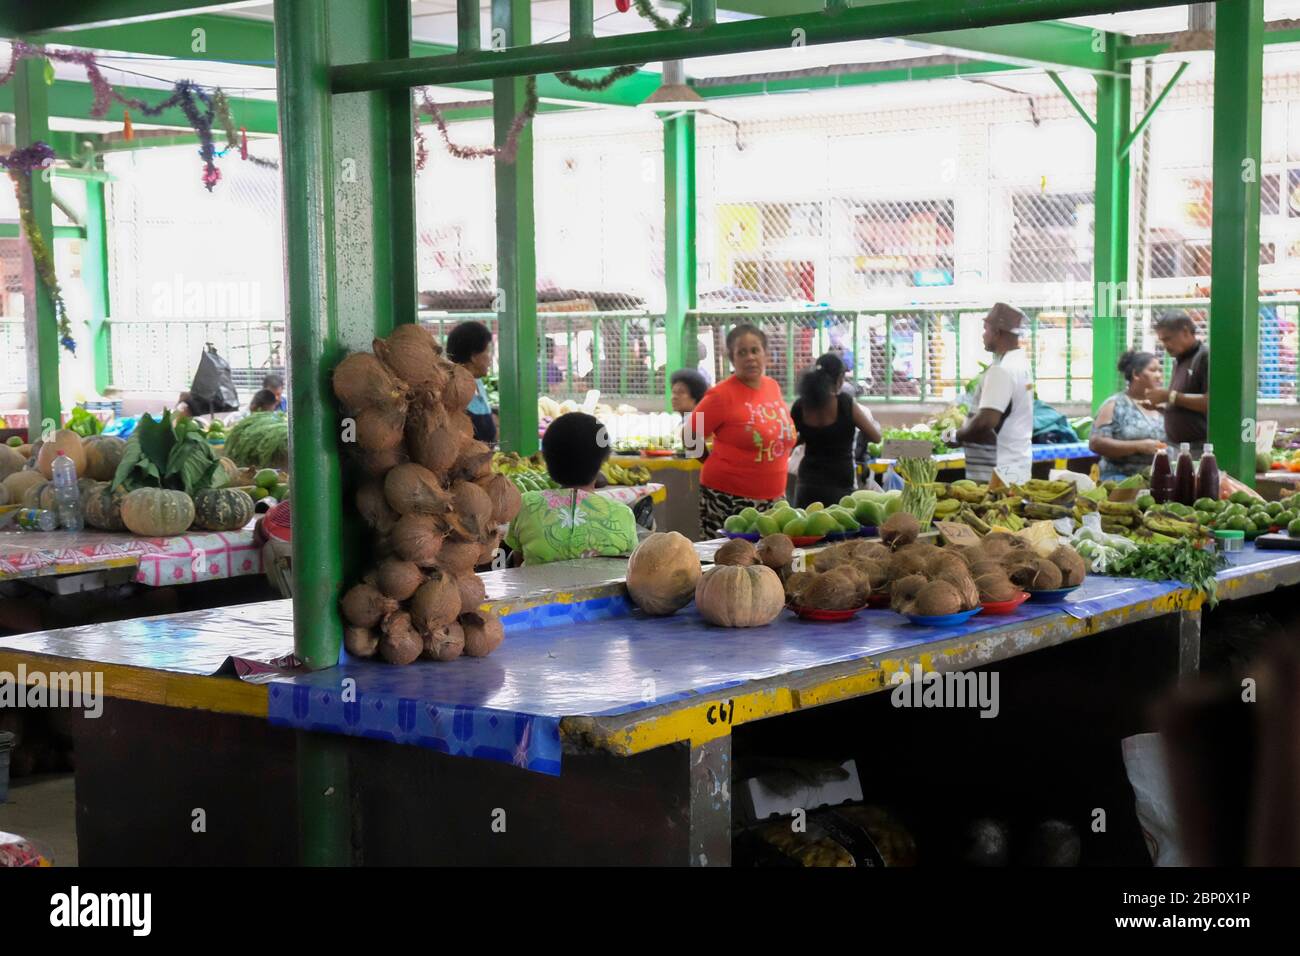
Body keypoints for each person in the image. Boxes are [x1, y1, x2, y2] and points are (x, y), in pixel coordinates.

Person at [687, 323, 797, 538]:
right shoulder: (720, 395)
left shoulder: (771, 386)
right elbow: (689, 435)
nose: (750, 357)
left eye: (755, 350)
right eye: (742, 352)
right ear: (732, 358)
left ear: (765, 353)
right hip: (727, 500)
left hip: (774, 498)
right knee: (729, 564)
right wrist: (712, 462)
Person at [504, 412, 638, 566]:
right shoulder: (622, 514)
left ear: (546, 460)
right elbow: (630, 566)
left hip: (539, 589)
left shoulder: (526, 504)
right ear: (603, 461)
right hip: (602, 591)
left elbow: (517, 561)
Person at [951, 303, 1035, 484]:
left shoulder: (1002, 370)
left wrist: (956, 436)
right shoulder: (1021, 365)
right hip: (1015, 465)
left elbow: (986, 421)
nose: (983, 335)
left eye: (986, 329)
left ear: (997, 332)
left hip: (997, 472)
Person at [790, 352, 881, 508]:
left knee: (806, 530)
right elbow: (875, 437)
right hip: (840, 484)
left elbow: (792, 439)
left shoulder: (800, 406)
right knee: (839, 530)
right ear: (839, 379)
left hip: (807, 484)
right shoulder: (845, 404)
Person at [1089, 351, 1167, 480]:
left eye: (1160, 370)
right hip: (1121, 478)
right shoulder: (1115, 404)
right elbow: (1096, 443)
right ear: (1136, 374)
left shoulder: (1163, 406)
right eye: (1153, 370)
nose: (1159, 376)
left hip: (1159, 477)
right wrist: (1138, 446)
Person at [1145, 312, 1208, 454]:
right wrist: (1162, 407)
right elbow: (1183, 403)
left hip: (1199, 448)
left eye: (1168, 339)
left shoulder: (1204, 357)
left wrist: (1169, 397)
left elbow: (1211, 402)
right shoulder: (1179, 361)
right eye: (1161, 341)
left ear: (1185, 332)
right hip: (1177, 447)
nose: (1165, 346)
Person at [446, 320, 497, 445]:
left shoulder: (477, 381)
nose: (490, 358)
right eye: (487, 352)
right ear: (474, 356)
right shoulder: (453, 389)